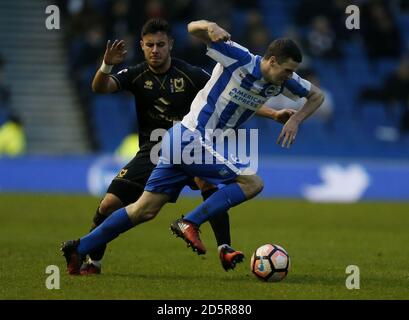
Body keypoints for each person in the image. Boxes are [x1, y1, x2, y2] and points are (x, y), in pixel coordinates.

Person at [61, 20, 323, 275]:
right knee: (252, 183)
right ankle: (190, 223)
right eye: (288, 70)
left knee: (144, 210)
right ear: (273, 61)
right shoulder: (239, 58)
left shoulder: (282, 80)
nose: (290, 77)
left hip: (178, 141)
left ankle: (79, 247)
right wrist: (211, 27)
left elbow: (316, 96)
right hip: (191, 137)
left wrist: (293, 119)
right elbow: (192, 27)